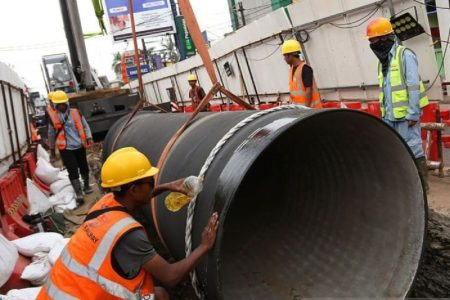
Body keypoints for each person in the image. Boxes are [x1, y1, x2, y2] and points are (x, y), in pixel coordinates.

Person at [37, 147, 219, 299]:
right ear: (133, 189)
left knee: (160, 294)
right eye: (151, 182)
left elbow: (138, 196)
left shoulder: (106, 202)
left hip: (61, 292)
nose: (153, 184)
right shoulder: (129, 234)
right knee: (161, 293)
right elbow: (171, 276)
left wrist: (166, 186)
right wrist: (204, 245)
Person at [366, 17, 429, 191]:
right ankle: (406, 185)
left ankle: (422, 187)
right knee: (396, 148)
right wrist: (384, 115)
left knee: (413, 149)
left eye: (373, 40)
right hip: (390, 116)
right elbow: (386, 91)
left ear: (383, 38)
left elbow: (413, 85)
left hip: (405, 116)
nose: (371, 44)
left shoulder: (404, 54)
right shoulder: (383, 62)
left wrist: (413, 113)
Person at [47, 90, 93, 203]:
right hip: (66, 148)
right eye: (59, 104)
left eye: (63, 104)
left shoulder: (75, 112)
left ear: (67, 103)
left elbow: (85, 125)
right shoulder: (53, 117)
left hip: (80, 145)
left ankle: (86, 186)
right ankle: (78, 193)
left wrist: (89, 137)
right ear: (55, 105)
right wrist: (52, 150)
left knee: (84, 167)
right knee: (72, 170)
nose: (62, 106)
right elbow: (51, 134)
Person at [281, 39, 322, 108]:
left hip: (310, 110)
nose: (284, 59)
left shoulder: (305, 68)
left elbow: (309, 90)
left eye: (284, 56)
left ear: (290, 55)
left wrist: (306, 109)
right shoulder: (291, 70)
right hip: (298, 109)